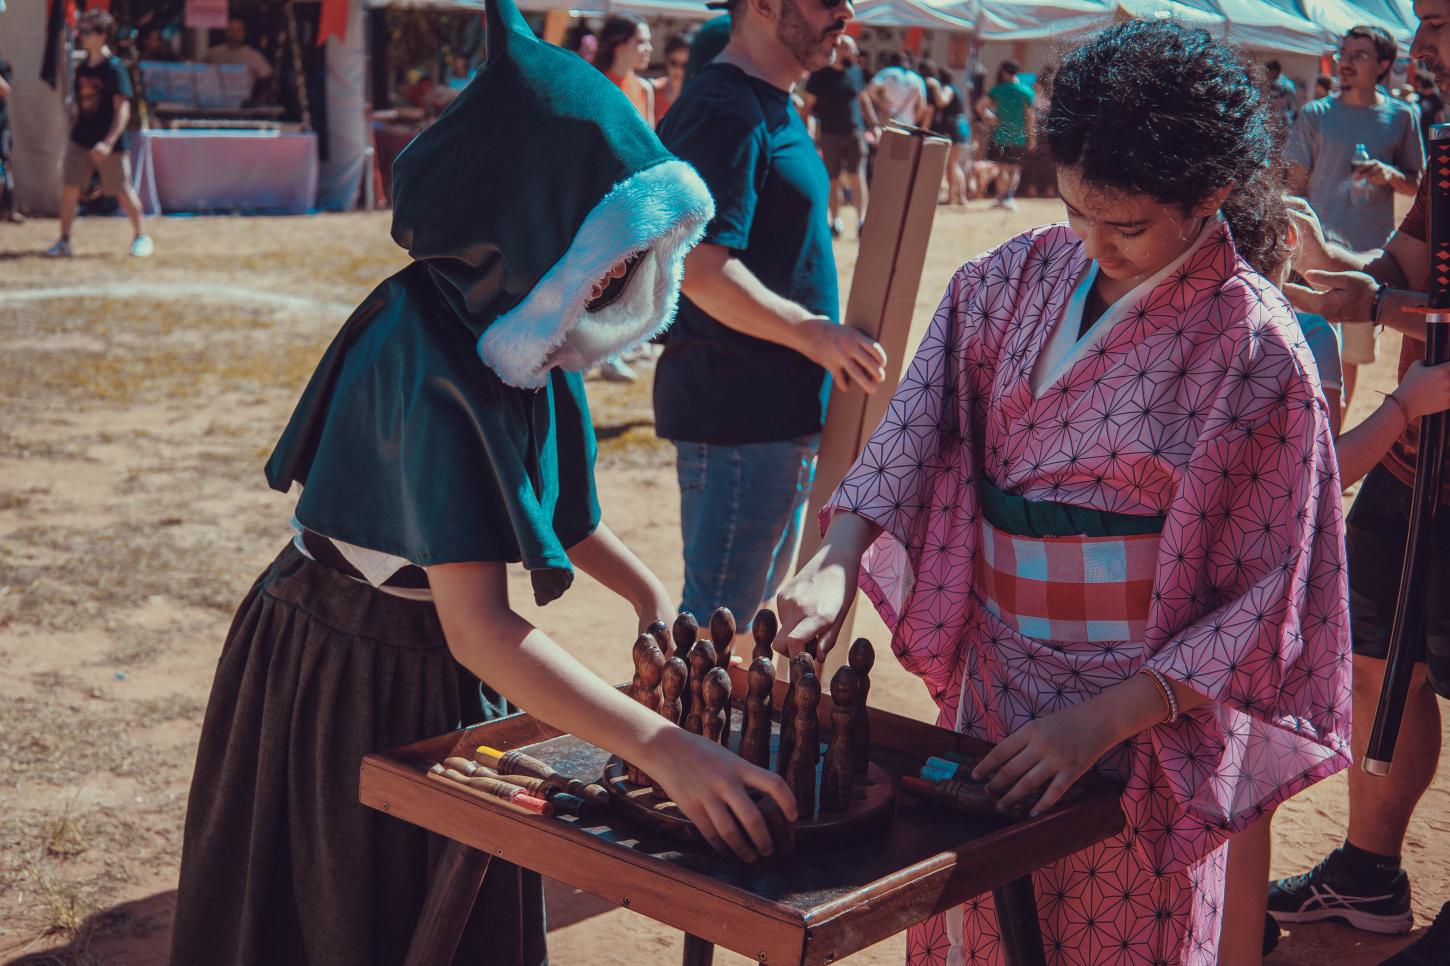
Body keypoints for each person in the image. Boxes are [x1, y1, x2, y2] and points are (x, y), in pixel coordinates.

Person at [167, 1, 797, 963]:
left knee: (461, 915)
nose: (618, 279)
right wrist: (662, 748)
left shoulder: (533, 329)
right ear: (529, 217)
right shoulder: (422, 351)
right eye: (608, 249)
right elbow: (480, 626)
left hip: (435, 661)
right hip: (347, 662)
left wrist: (647, 595)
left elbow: (556, 513)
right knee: (357, 911)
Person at [772, 20, 1350, 965]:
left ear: (1209, 195)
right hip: (995, 678)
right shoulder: (1015, 274)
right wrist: (839, 554)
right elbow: (920, 421)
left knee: (1112, 927)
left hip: (1140, 708)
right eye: (1078, 210)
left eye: (1127, 225)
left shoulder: (1258, 349)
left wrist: (1107, 719)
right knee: (973, 919)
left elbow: (1272, 589)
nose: (1093, 243)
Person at [1262, 2, 1450, 958]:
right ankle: (1370, 873)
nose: (1424, 46)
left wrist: (1382, 305)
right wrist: (1340, 276)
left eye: (1442, 22)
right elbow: (1407, 265)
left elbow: (1414, 298)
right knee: (1380, 663)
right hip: (1420, 463)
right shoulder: (1449, 145)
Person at [654, 0, 887, 629]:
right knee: (715, 627)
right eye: (826, 0)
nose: (845, 12)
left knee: (736, 619)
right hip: (739, 415)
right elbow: (699, 269)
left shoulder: (766, 101)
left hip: (769, 418)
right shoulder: (724, 109)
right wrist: (815, 335)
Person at [1287, 25, 1423, 413]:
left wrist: (1389, 175)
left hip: (1372, 266)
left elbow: (1417, 184)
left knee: (1347, 369)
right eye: (1343, 54)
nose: (1345, 62)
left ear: (1383, 64)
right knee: (1310, 361)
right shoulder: (1315, 114)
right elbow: (1294, 185)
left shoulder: (1402, 116)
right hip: (1315, 264)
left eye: (1358, 55)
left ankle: (1337, 446)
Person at [42, 10, 150, 259]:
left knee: (122, 190)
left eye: (86, 31)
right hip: (82, 138)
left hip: (109, 141)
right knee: (70, 188)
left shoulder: (114, 68)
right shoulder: (82, 68)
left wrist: (108, 142)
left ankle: (140, 236)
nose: (81, 35)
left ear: (101, 35)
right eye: (80, 31)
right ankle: (64, 240)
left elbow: (122, 109)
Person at [803, 34, 877, 236]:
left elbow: (864, 100)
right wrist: (804, 133)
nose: (854, 54)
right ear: (839, 49)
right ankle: (835, 221)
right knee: (832, 179)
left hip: (855, 132)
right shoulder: (820, 75)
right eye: (850, 50)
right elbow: (807, 106)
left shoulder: (855, 72)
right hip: (829, 134)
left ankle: (861, 221)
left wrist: (874, 125)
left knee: (857, 176)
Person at [976, 59, 1034, 209]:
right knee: (1015, 169)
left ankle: (1000, 197)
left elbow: (980, 106)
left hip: (1001, 135)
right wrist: (1031, 138)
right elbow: (1030, 117)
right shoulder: (1027, 92)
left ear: (1003, 72)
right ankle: (1009, 198)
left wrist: (991, 119)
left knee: (1002, 168)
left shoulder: (998, 89)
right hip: (1020, 137)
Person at [924, 60, 970, 205]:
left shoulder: (948, 88)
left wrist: (935, 86)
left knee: (952, 164)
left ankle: (959, 196)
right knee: (954, 164)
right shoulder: (954, 88)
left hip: (955, 129)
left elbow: (942, 101)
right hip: (960, 127)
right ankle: (955, 196)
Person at [594, 15, 655, 123]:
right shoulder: (595, 86)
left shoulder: (645, 89)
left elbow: (649, 133)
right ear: (619, 42)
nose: (649, 48)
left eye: (648, 42)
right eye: (641, 41)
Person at [206, 16, 274, 98]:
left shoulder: (253, 55)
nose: (234, 34)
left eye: (238, 31)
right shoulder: (213, 53)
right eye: (230, 30)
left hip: (242, 102)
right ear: (226, 32)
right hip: (216, 99)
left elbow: (268, 76)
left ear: (243, 33)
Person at [867, 50, 927, 128]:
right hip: (907, 124)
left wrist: (880, 102)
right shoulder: (918, 80)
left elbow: (870, 91)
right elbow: (922, 108)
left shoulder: (887, 72)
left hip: (886, 119)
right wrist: (913, 121)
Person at [0, 51, 20, 225]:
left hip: (1, 127)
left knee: (3, 166)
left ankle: (9, 209)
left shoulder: (3, 66)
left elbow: (5, 90)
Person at [654, 33, 691, 123]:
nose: (678, 70)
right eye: (673, 63)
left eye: (685, 65)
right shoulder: (653, 90)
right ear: (666, 59)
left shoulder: (697, 96)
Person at [1415, 68, 1443, 152]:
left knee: (1431, 147)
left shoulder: (1435, 97)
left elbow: (1439, 113)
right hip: (1420, 127)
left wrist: (1441, 126)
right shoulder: (1418, 97)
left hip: (1431, 127)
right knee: (1421, 147)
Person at [1267, 58, 1298, 124]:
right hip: (1275, 119)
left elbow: (1286, 101)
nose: (1268, 74)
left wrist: (1271, 104)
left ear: (1274, 71)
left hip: (1284, 120)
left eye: (1269, 71)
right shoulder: (1274, 82)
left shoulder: (1286, 84)